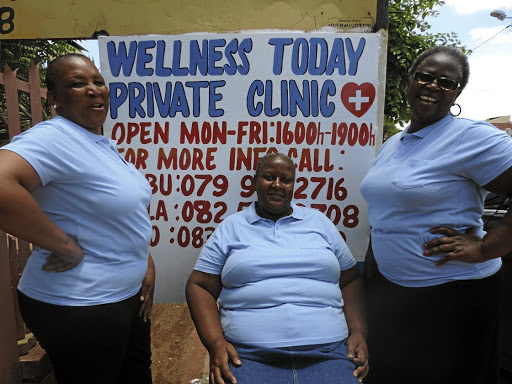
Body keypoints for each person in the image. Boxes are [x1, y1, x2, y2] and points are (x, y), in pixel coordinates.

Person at [360, 45, 512, 384]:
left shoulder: (470, 137)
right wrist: (374, 263)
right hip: (394, 293)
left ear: (457, 93)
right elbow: (387, 210)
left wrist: (489, 247)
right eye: (425, 76)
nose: (433, 86)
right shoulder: (394, 144)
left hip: (453, 297)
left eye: (447, 82)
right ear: (410, 82)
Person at [0, 53, 155, 383]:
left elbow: (114, 214)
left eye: (98, 81)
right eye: (77, 84)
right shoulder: (55, 138)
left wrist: (144, 260)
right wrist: (64, 245)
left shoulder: (97, 142)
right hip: (82, 305)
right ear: (55, 99)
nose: (93, 89)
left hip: (122, 299)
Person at [186, 152, 368, 384]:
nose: (277, 185)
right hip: (248, 356)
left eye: (285, 179)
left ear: (294, 185)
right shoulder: (232, 227)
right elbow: (199, 285)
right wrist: (215, 343)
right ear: (254, 182)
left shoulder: (319, 223)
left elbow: (350, 279)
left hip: (328, 353)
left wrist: (359, 332)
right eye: (269, 177)